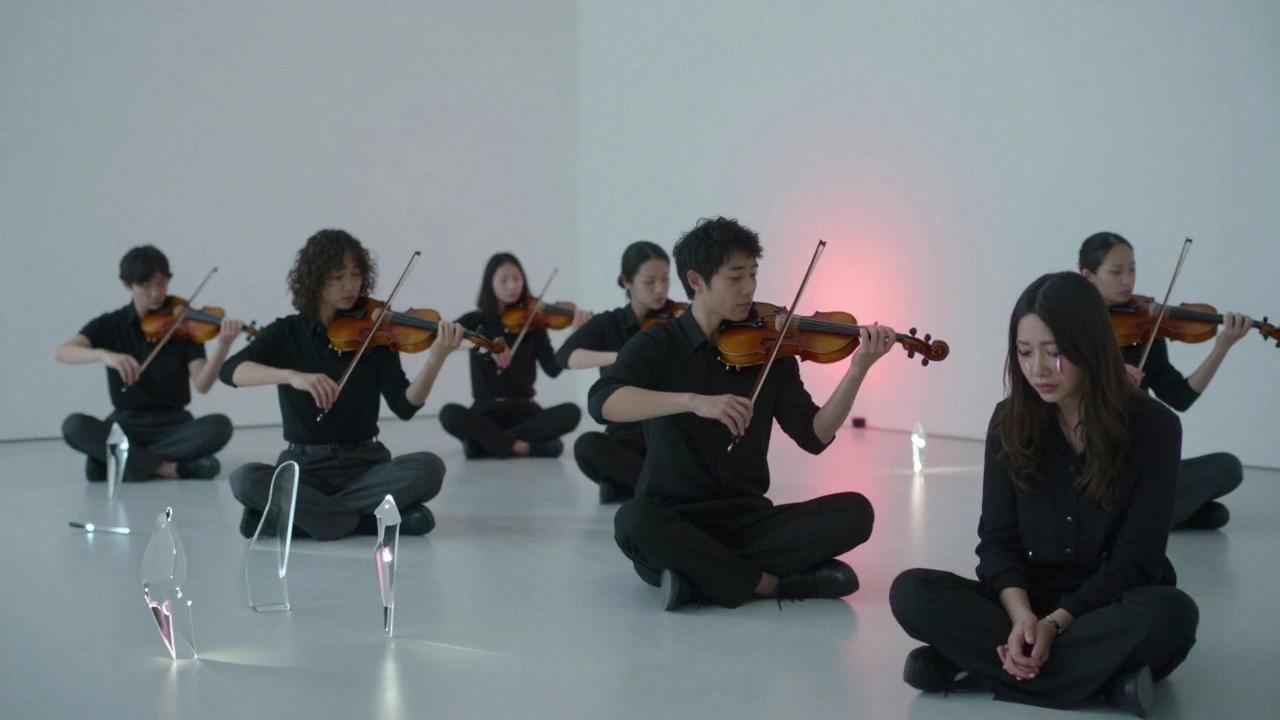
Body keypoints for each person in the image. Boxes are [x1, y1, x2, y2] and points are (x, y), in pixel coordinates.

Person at [890, 272, 1197, 717]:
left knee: (1173, 615)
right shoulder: (1008, 421)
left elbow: (1137, 561)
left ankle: (978, 669)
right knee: (911, 592)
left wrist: (1056, 624)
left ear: (1090, 345)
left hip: (1109, 604)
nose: (1037, 369)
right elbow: (997, 542)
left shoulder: (1155, 428)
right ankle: (1105, 681)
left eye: (1055, 353)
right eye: (1025, 352)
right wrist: (1023, 619)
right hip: (1026, 604)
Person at [589, 217, 884, 611]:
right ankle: (769, 584)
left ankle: (699, 579)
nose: (749, 289)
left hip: (747, 521)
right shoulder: (658, 344)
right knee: (632, 521)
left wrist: (858, 369)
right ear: (696, 281)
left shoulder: (771, 348)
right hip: (674, 518)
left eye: (753, 275)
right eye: (735, 277)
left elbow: (814, 436)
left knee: (855, 512)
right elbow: (602, 401)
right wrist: (692, 401)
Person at [220, 229, 460, 540]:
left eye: (356, 274)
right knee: (244, 479)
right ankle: (363, 523)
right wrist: (291, 376)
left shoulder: (374, 334)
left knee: (429, 468)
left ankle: (299, 520)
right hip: (304, 469)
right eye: (338, 276)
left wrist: (437, 358)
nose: (350, 285)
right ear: (315, 279)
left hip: (365, 466)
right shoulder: (286, 333)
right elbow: (230, 371)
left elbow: (405, 406)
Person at [1080, 231, 1246, 529]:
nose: (1127, 280)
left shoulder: (1147, 328)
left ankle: (1136, 514)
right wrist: (1111, 385)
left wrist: (1222, 347)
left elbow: (1179, 397)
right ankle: (1137, 514)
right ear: (1088, 276)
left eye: (1132, 269)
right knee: (1210, 513)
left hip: (1136, 462)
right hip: (1091, 462)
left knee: (1227, 469)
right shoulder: (1073, 328)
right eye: (1116, 272)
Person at [57, 245, 238, 481]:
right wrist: (105, 355)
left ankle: (117, 461)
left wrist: (223, 346)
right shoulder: (111, 324)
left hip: (174, 425)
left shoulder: (183, 324)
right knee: (74, 426)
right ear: (127, 285)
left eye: (161, 283)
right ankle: (167, 468)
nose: (156, 293)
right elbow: (64, 352)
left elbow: (202, 384)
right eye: (145, 286)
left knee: (220, 426)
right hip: (125, 424)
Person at [555, 240, 674, 503]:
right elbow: (564, 357)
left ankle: (627, 486)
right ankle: (660, 491)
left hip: (668, 435)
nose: (660, 289)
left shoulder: (679, 319)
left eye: (665, 279)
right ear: (626, 281)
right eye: (649, 281)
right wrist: (621, 356)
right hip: (624, 439)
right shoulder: (608, 323)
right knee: (587, 446)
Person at [439, 252, 584, 459]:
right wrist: (481, 343)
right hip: (485, 411)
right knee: (449, 414)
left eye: (517, 279)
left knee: (572, 412)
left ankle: (488, 444)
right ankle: (527, 447)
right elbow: (444, 339)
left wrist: (575, 336)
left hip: (525, 411)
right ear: (490, 283)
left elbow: (552, 369)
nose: (512, 286)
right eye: (504, 280)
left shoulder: (534, 324)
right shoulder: (475, 320)